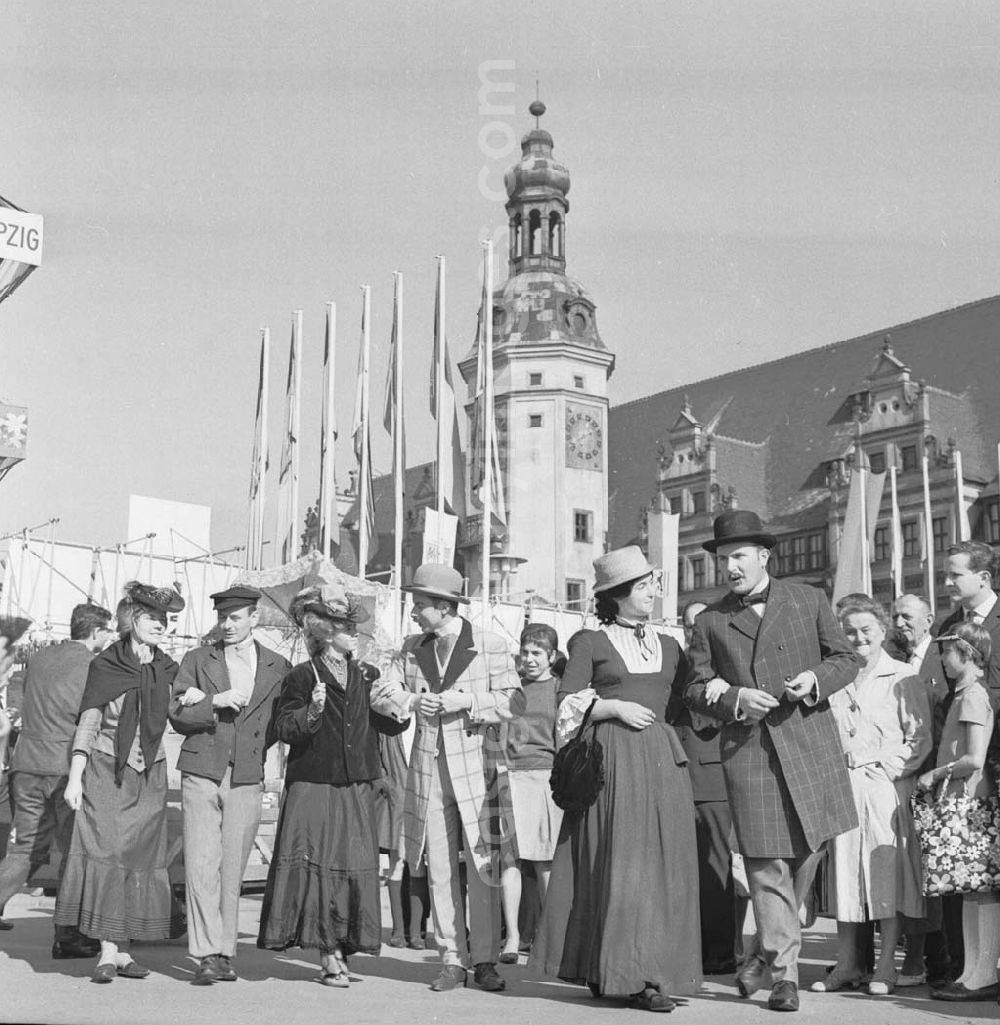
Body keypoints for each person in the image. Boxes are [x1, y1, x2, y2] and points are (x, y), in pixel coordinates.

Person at [685, 510, 859, 1013]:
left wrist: (814, 680)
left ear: (763, 556)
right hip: (750, 754)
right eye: (722, 560)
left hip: (810, 746)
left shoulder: (809, 600)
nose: (730, 568)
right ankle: (785, 976)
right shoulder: (711, 620)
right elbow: (695, 689)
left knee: (808, 852)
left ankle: (763, 950)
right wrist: (736, 697)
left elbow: (846, 658)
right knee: (765, 865)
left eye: (738, 557)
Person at [533, 546, 701, 1013]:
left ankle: (652, 970)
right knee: (622, 865)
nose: (652, 593)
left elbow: (688, 702)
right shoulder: (590, 641)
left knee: (662, 866)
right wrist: (610, 707)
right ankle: (629, 973)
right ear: (619, 594)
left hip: (663, 762)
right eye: (643, 586)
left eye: (652, 585)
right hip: (614, 761)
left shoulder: (669, 646)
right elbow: (565, 702)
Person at [370, 563, 522, 994]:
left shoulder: (489, 644)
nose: (414, 612)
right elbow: (381, 694)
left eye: (420, 605)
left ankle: (487, 959)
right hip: (428, 771)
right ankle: (452, 959)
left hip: (478, 768)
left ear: (443, 605)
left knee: (484, 867)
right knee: (439, 868)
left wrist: (466, 700)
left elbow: (514, 700)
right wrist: (413, 700)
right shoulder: (409, 647)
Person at [257, 585, 407, 987]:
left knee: (351, 869)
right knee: (319, 870)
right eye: (344, 625)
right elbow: (285, 728)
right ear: (324, 630)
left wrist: (400, 707)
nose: (353, 631)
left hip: (355, 784)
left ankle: (342, 947)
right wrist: (313, 710)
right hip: (314, 784)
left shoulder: (367, 674)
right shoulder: (302, 676)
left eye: (353, 625)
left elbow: (385, 724)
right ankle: (328, 954)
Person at [54, 583, 186, 982]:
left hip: (151, 774)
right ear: (132, 620)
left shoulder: (167, 668)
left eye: (165, 620)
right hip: (107, 769)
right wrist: (75, 777)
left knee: (139, 859)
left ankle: (125, 951)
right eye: (152, 618)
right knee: (108, 855)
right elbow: (90, 721)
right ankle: (107, 951)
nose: (161, 625)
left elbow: (179, 711)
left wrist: (200, 698)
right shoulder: (106, 665)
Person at [168, 584, 291, 985]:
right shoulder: (197, 658)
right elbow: (176, 713)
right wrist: (212, 704)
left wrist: (251, 751)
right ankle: (205, 953)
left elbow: (275, 725)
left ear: (254, 618)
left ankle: (224, 951)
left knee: (233, 868)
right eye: (222, 618)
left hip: (246, 776)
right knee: (202, 864)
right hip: (202, 770)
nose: (227, 625)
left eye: (235, 618)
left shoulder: (278, 665)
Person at [809, 595, 930, 996]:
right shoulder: (833, 678)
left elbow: (919, 740)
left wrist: (880, 766)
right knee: (845, 874)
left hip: (885, 791)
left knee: (886, 878)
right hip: (842, 788)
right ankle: (847, 965)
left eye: (867, 630)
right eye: (850, 631)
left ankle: (885, 966)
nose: (859, 638)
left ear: (882, 632)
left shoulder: (903, 677)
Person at [0, 603, 115, 955]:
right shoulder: (95, 665)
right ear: (96, 632)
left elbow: (21, 700)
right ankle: (68, 934)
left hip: (28, 762)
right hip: (67, 768)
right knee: (73, 850)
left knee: (25, 846)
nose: (110, 637)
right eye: (107, 631)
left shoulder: (40, 658)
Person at [921, 623, 1000, 1003]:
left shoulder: (973, 696)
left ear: (967, 654)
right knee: (970, 890)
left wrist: (935, 773)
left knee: (979, 891)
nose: (942, 659)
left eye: (948, 651)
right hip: (961, 801)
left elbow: (973, 758)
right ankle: (972, 971)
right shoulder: (964, 694)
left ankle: (983, 973)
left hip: (969, 802)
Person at [669, 599, 743, 975]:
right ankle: (686, 949)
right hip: (674, 774)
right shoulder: (672, 663)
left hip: (712, 777)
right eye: (686, 624)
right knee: (680, 869)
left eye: (697, 624)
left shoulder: (727, 664)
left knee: (715, 868)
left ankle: (720, 953)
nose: (691, 630)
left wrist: (718, 683)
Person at [499, 623, 564, 964]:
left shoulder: (559, 689)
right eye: (525, 652)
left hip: (544, 779)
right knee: (510, 861)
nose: (530, 659)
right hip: (511, 777)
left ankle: (548, 939)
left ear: (552, 656)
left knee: (544, 863)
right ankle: (512, 938)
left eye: (537, 653)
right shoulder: (512, 688)